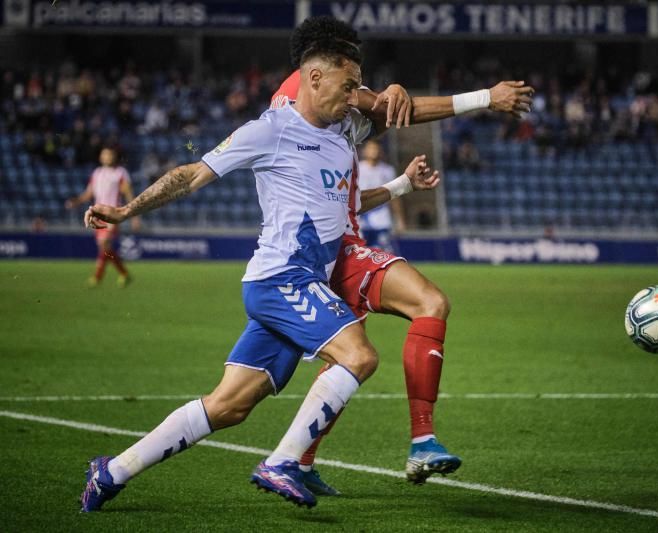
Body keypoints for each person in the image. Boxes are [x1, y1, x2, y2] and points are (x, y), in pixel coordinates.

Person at [80, 38, 440, 511]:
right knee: (359, 355)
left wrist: (397, 185)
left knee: (229, 405)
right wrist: (127, 210)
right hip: (282, 279)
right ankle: (284, 462)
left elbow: (350, 203)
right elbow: (191, 174)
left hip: (297, 285)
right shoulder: (269, 130)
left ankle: (113, 470)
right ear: (314, 78)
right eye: (347, 85)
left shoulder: (339, 141)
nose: (354, 96)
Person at [269, 16, 533, 493]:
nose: (355, 82)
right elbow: (393, 111)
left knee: (345, 362)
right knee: (429, 303)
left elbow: (348, 195)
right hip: (335, 251)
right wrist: (486, 98)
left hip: (326, 247)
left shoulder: (324, 129)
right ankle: (422, 439)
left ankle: (300, 461)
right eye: (349, 72)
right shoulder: (315, 100)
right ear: (321, 65)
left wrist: (399, 186)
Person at [65, 146, 139, 288]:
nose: (107, 157)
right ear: (100, 157)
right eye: (104, 154)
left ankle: (97, 277)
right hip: (97, 214)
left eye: (109, 155)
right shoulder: (97, 173)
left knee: (104, 245)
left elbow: (128, 194)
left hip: (113, 214)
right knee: (105, 249)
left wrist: (134, 216)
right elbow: (89, 193)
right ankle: (124, 273)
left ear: (114, 157)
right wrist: (76, 201)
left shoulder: (120, 173)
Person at [357, 139, 405, 250]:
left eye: (376, 148)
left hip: (382, 219)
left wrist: (399, 219)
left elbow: (394, 195)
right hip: (361, 220)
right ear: (365, 151)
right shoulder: (357, 168)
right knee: (361, 253)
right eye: (371, 148)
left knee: (384, 253)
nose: (374, 151)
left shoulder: (387, 170)